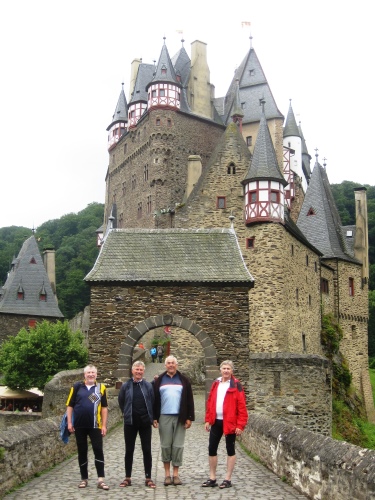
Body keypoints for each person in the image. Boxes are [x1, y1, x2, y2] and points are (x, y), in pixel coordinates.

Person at [201, 360, 248, 489]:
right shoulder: (216, 383)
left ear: (232, 371)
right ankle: (212, 477)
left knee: (230, 449)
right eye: (224, 368)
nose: (226, 371)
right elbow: (211, 402)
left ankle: (228, 479)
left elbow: (242, 407)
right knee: (212, 448)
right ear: (220, 370)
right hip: (216, 421)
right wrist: (207, 419)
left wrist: (240, 425)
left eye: (228, 368)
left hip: (230, 422)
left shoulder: (236, 385)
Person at [66, 364, 109, 490]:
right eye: (88, 373)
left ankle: (101, 479)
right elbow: (70, 406)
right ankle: (84, 479)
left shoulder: (101, 388)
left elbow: (105, 408)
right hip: (79, 425)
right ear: (84, 374)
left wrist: (104, 425)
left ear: (96, 374)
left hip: (96, 425)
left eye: (93, 373)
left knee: (98, 450)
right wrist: (69, 422)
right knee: (82, 451)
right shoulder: (76, 387)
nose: (91, 375)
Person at [153, 355, 195, 486]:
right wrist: (154, 417)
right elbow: (155, 400)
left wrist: (189, 417)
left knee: (178, 446)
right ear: (165, 365)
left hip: (180, 417)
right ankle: (167, 475)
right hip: (164, 416)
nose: (171, 365)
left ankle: (176, 474)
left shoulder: (184, 380)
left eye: (173, 363)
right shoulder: (159, 380)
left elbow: (189, 400)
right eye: (168, 363)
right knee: (166, 445)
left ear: (176, 365)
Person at [118, 360, 156, 489]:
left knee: (147, 450)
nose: (139, 372)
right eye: (136, 370)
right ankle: (127, 477)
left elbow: (152, 401)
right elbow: (121, 401)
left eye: (141, 370)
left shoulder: (148, 386)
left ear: (143, 371)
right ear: (132, 371)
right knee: (129, 450)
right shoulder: (125, 386)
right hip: (130, 422)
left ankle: (148, 477)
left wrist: (152, 417)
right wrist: (127, 413)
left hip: (145, 422)